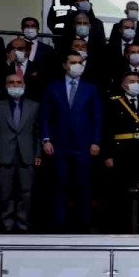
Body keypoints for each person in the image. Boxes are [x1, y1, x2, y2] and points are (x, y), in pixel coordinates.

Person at [41, 52, 102, 232]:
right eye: (73, 62)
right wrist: (46, 139)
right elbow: (45, 116)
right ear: (65, 65)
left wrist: (96, 141)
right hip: (59, 145)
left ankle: (83, 224)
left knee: (83, 186)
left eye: (80, 62)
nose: (77, 65)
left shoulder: (91, 88)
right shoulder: (53, 87)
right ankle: (59, 225)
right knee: (60, 185)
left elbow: (97, 117)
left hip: (84, 145)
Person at [102, 72, 139, 232]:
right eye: (131, 81)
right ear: (123, 85)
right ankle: (120, 227)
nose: (136, 84)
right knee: (121, 192)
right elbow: (106, 129)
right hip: (122, 153)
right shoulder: (114, 103)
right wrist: (108, 154)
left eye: (137, 81)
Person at [0, 73, 40, 233]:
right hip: (5, 154)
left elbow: (38, 132)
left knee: (26, 192)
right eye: (11, 82)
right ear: (6, 86)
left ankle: (23, 223)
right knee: (5, 191)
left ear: (24, 85)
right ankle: (7, 224)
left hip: (27, 154)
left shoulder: (34, 106)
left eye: (18, 82)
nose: (15, 85)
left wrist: (38, 154)